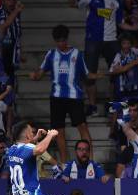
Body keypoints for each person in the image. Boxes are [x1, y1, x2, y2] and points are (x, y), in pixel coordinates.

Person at [30, 25, 96, 162]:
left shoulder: (77, 54)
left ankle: (91, 162)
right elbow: (40, 73)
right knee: (58, 131)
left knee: (83, 127)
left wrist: (103, 74)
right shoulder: (51, 54)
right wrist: (34, 76)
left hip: (75, 97)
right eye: (58, 41)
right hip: (57, 97)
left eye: (63, 40)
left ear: (67, 39)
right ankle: (64, 164)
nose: (61, 43)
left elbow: (87, 74)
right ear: (55, 41)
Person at [69, 0, 127, 116]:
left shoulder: (116, 1)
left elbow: (121, 23)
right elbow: (72, 3)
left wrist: (135, 27)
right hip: (93, 40)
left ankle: (113, 105)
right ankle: (92, 106)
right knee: (89, 75)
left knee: (116, 74)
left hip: (112, 40)